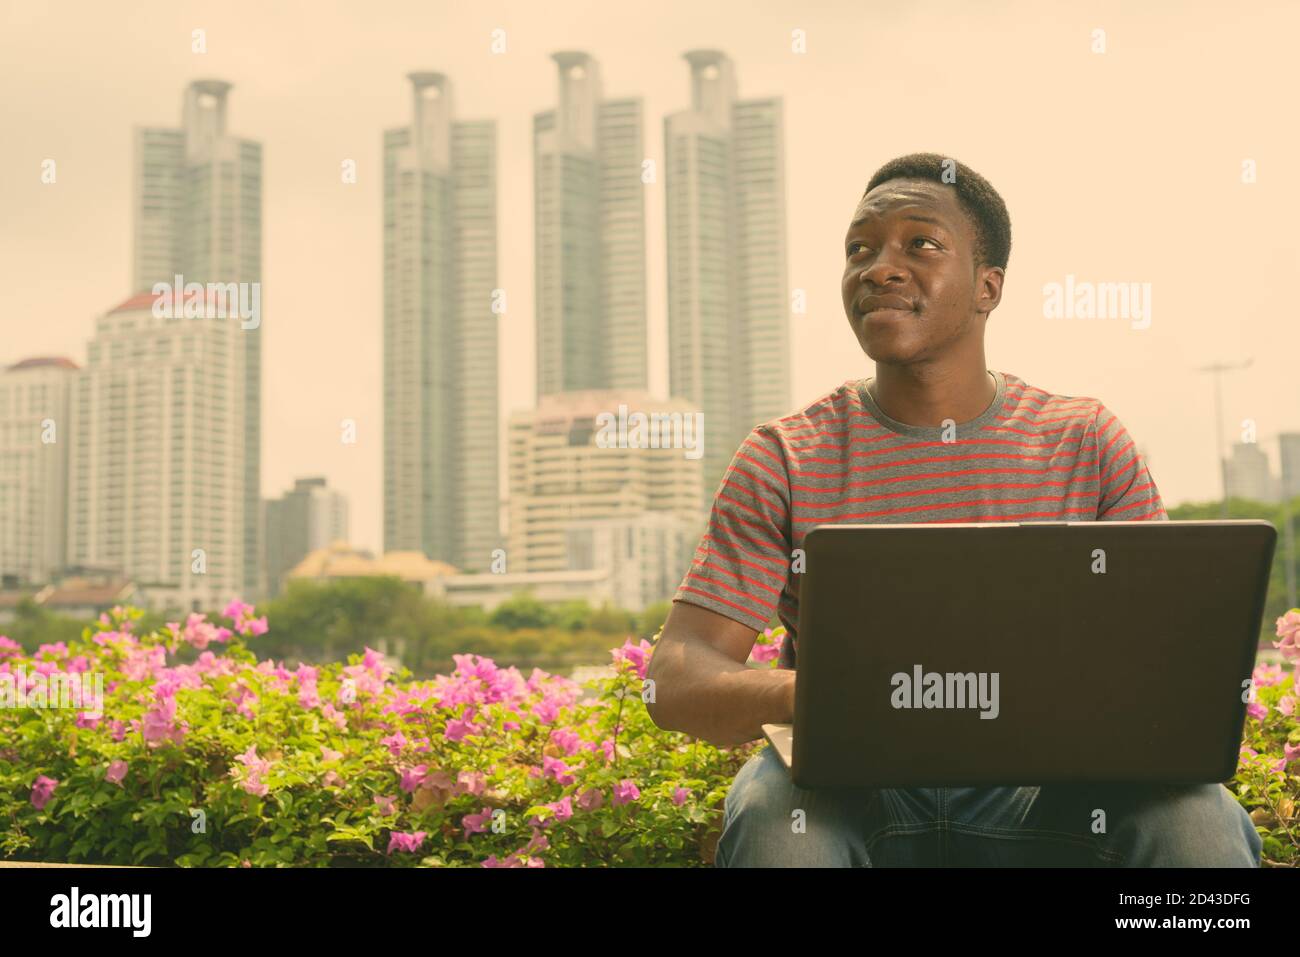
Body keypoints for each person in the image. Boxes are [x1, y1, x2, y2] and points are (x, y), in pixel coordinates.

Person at [644, 152, 1262, 867]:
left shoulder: (1086, 442)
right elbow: (678, 672)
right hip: (851, 795)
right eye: (860, 249)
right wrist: (827, 694)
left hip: (1050, 799)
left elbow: (1159, 666)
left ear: (987, 286)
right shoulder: (786, 455)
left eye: (921, 244)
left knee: (1195, 819)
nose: (880, 266)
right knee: (776, 818)